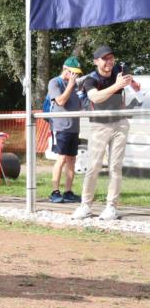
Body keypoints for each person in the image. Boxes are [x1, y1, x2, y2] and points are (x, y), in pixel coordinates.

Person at [72, 45, 142, 221]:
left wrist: (133, 84)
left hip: (120, 124)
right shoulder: (90, 79)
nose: (109, 62)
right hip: (99, 125)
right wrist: (117, 86)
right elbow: (95, 97)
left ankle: (111, 206)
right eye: (105, 59)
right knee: (93, 166)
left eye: (111, 58)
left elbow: (134, 85)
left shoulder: (119, 70)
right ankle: (86, 205)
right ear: (96, 61)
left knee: (115, 167)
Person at [47, 57, 84, 204]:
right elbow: (60, 101)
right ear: (65, 68)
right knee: (61, 158)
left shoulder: (76, 85)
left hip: (74, 127)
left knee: (72, 160)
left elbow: (80, 105)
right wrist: (70, 85)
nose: (75, 76)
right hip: (60, 126)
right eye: (73, 72)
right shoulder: (54, 82)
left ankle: (68, 192)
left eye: (77, 73)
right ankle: (55, 191)